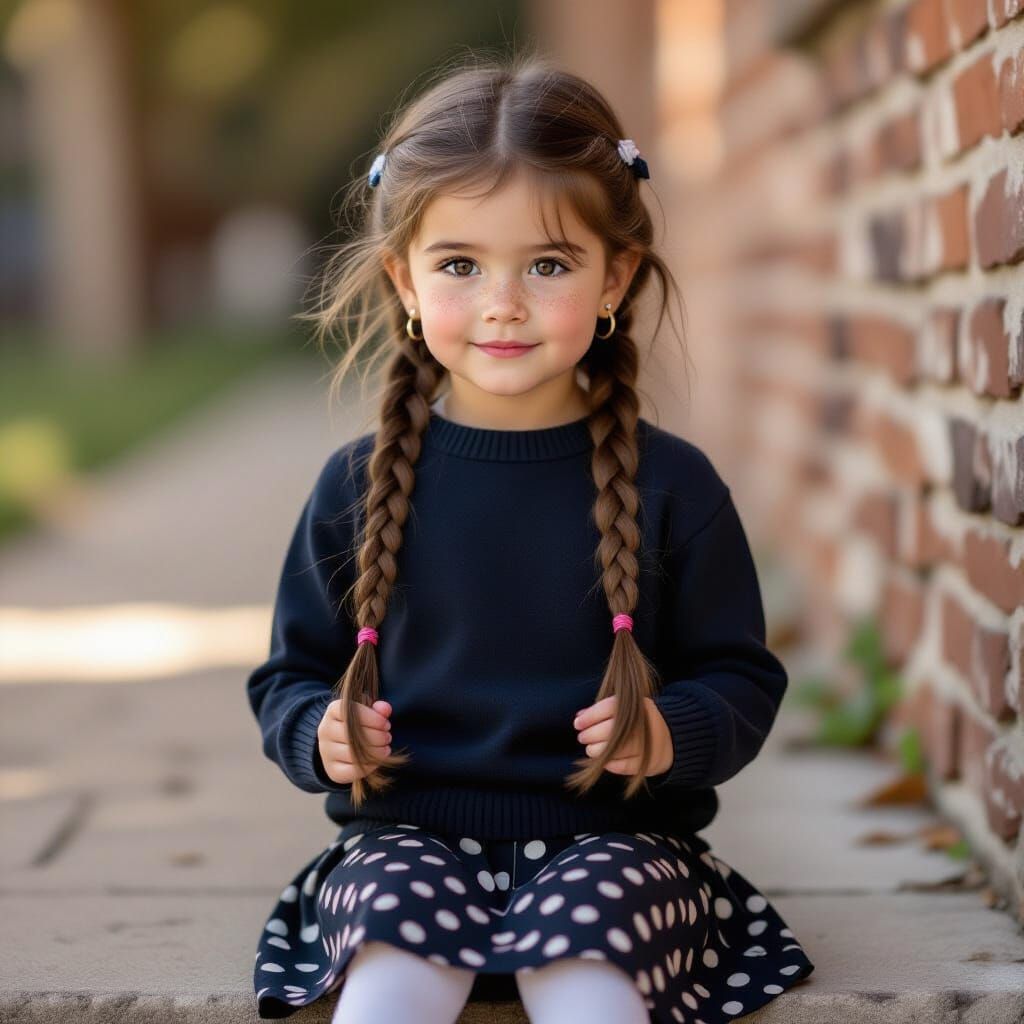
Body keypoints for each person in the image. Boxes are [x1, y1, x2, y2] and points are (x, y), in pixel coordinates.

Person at [247, 49, 815, 1024]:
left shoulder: (673, 485)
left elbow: (741, 676)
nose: (502, 301)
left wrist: (671, 732)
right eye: (459, 264)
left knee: (591, 983)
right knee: (386, 979)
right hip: (406, 845)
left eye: (547, 264)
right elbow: (290, 673)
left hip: (617, 850)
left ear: (614, 277)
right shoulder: (355, 485)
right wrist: (318, 731)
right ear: (404, 281)